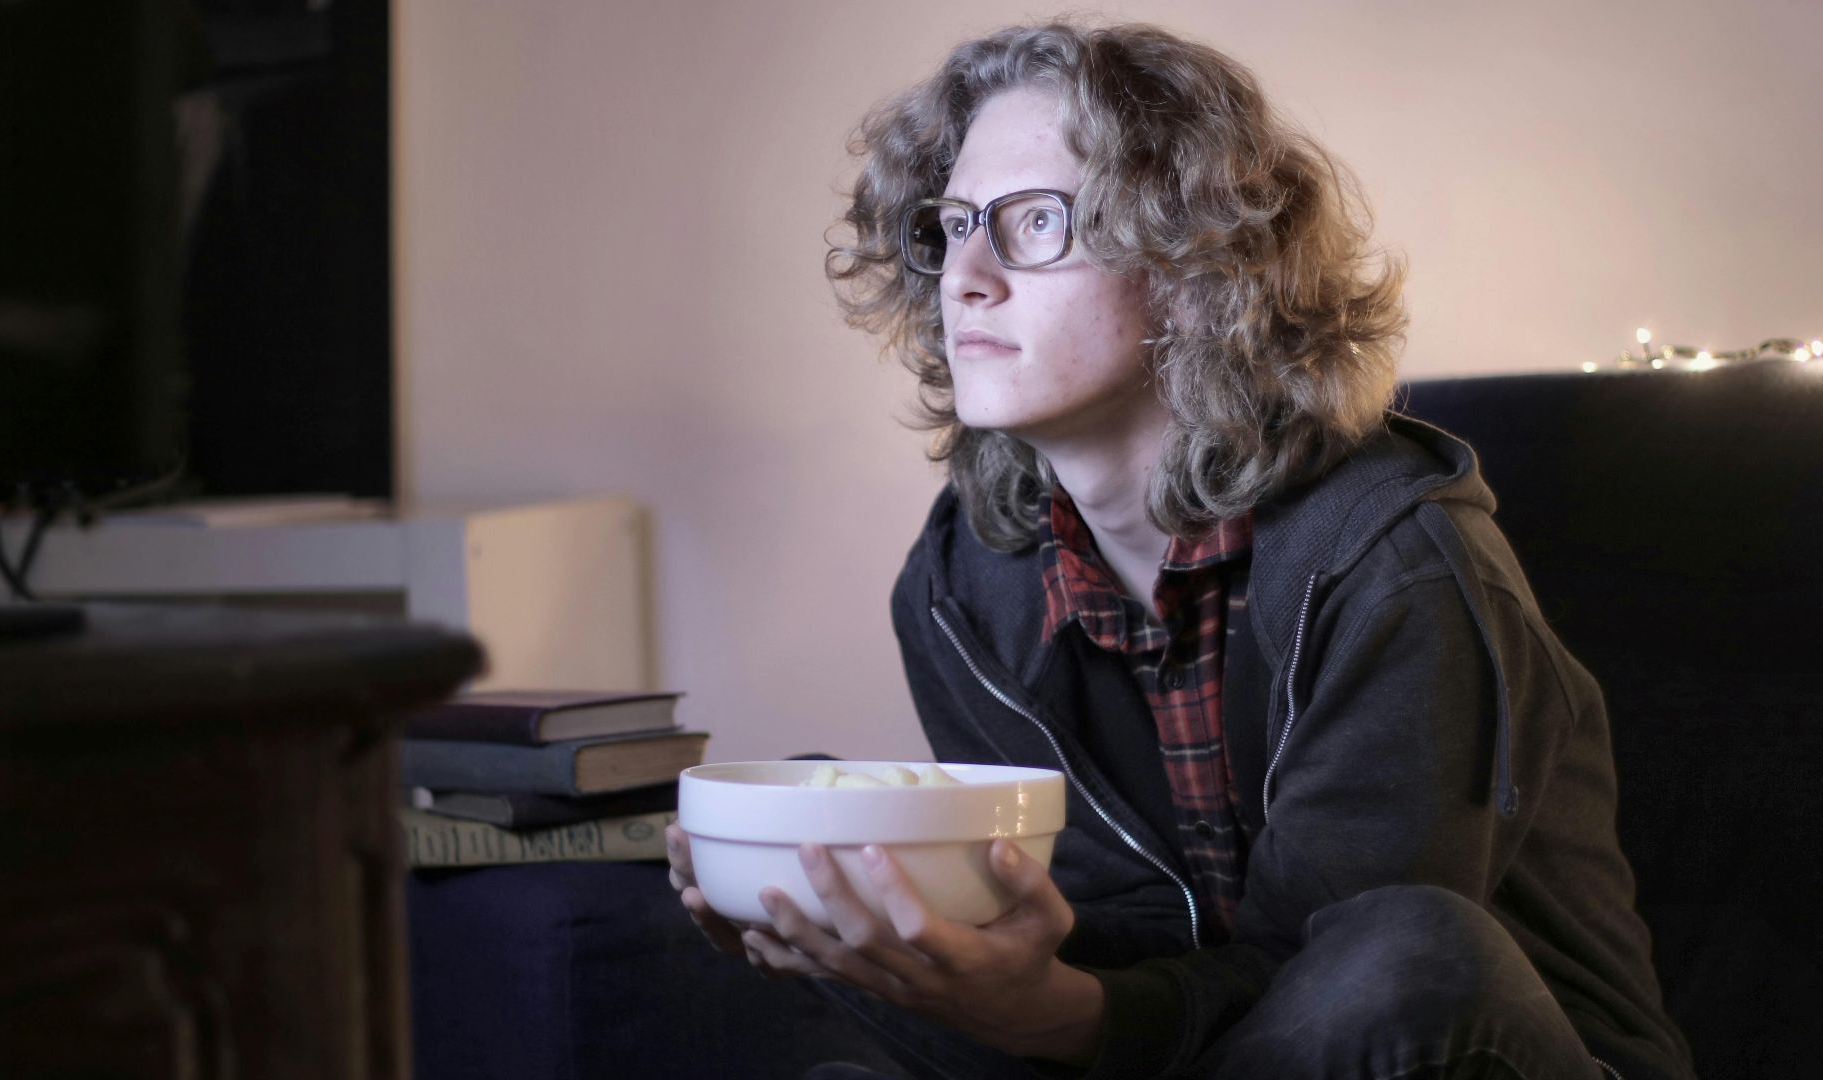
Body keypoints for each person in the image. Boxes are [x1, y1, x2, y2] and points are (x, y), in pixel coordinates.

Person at [667, 21, 1694, 1080]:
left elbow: (1322, 988)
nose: (963, 275)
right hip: (1178, 1042)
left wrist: (1054, 1017)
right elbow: (1108, 930)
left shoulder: (1395, 565)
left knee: (1409, 956)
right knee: (819, 849)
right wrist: (891, 936)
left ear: (1195, 263)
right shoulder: (959, 589)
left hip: (1456, 1049)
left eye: (1031, 222)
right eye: (955, 222)